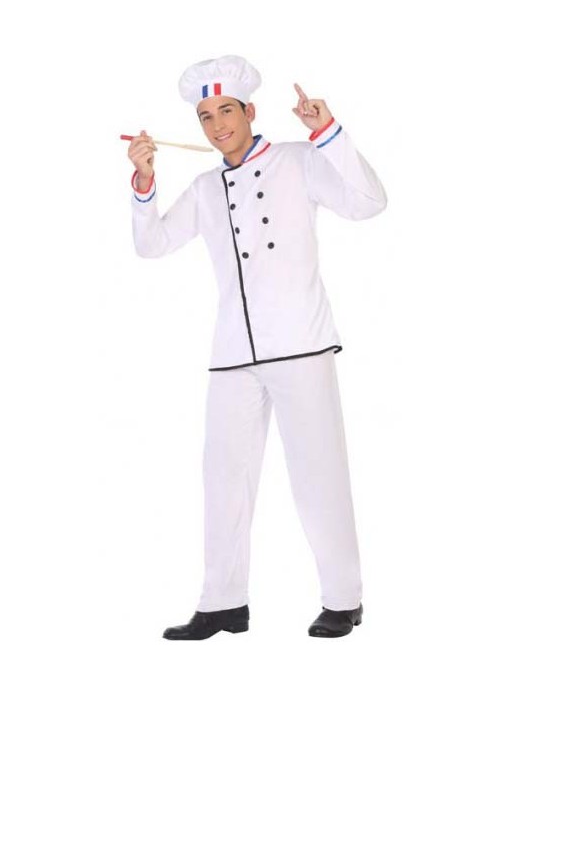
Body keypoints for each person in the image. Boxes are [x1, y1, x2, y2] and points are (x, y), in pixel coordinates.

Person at [128, 55, 387, 639]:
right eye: (205, 116)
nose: (217, 125)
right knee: (223, 479)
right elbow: (153, 244)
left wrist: (328, 132)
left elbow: (370, 202)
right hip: (232, 355)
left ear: (249, 111)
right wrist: (144, 183)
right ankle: (223, 602)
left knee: (318, 478)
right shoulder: (204, 188)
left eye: (226, 111)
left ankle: (343, 598)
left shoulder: (299, 160)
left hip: (301, 345)